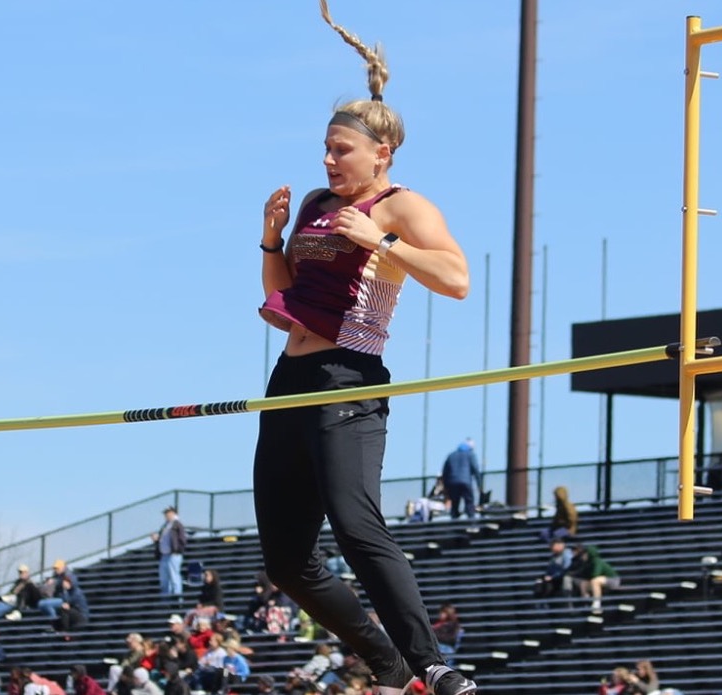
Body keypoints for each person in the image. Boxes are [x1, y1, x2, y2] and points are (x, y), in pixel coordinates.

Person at [252, 4, 474, 694]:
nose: (327, 159)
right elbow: (283, 294)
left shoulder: (401, 206)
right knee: (287, 561)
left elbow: (457, 279)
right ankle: (385, 659)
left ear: (382, 153)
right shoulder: (320, 203)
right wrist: (270, 236)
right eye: (324, 147)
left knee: (355, 523)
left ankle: (432, 660)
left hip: (348, 375)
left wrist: (378, 240)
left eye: (340, 149)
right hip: (289, 379)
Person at [568, 544, 621, 613]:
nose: (583, 556)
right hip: (601, 580)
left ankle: (597, 604)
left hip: (612, 580)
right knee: (583, 583)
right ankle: (586, 602)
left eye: (585, 554)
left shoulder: (597, 561)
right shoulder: (588, 563)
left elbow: (595, 574)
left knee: (595, 581)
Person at [151, 507, 188, 600]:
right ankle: (165, 600)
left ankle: (177, 600)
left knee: (174, 578)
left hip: (173, 555)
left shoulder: (177, 524)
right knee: (164, 579)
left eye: (168, 513)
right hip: (164, 555)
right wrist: (157, 540)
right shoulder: (165, 526)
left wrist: (177, 551)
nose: (166, 515)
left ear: (173, 513)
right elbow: (162, 540)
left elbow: (182, 539)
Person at [440, 440, 479, 520]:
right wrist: (480, 484)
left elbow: (445, 472)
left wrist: (446, 487)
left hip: (452, 483)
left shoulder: (451, 456)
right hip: (466, 482)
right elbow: (475, 469)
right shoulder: (470, 454)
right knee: (469, 503)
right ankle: (471, 522)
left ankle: (454, 523)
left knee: (454, 504)